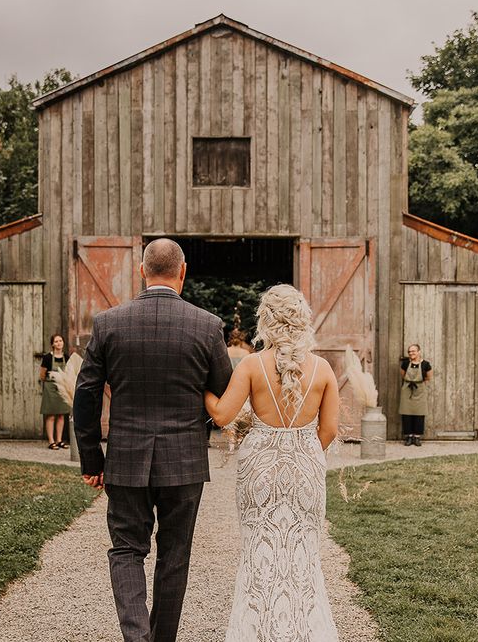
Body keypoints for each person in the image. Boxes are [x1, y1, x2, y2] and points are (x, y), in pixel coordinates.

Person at [73, 238, 232, 642]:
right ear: (183, 272)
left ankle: (135, 637)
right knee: (174, 556)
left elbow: (86, 394)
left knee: (127, 549)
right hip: (185, 462)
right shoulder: (208, 325)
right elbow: (224, 393)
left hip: (125, 458)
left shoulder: (108, 322)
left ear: (142, 271)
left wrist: (92, 460)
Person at [205, 284, 340, 641]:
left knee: (258, 552)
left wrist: (201, 386)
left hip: (260, 468)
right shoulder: (323, 369)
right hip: (306, 468)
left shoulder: (252, 365)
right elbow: (328, 429)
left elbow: (221, 415)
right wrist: (303, 453)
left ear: (264, 320)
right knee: (304, 555)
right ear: (302, 321)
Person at [39, 333, 70, 450]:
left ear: (63, 343)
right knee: (51, 415)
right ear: (52, 344)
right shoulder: (47, 358)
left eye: (60, 341)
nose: (59, 343)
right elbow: (42, 375)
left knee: (61, 415)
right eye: (56, 341)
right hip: (51, 389)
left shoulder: (66, 357)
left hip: (62, 388)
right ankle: (51, 441)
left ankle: (59, 440)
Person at [399, 343, 433, 446]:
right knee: (406, 413)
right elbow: (403, 375)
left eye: (413, 351)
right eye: (409, 351)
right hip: (407, 390)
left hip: (420, 390)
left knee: (419, 414)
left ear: (419, 352)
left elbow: (428, 377)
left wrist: (417, 382)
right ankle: (409, 437)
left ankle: (417, 437)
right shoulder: (405, 364)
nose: (411, 353)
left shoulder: (426, 364)